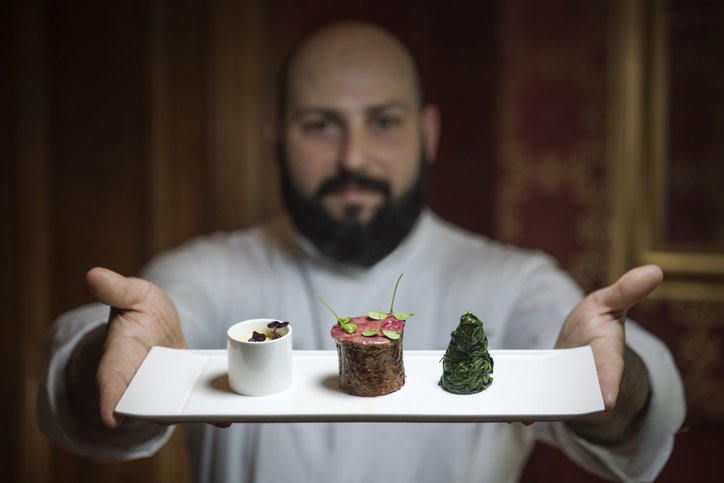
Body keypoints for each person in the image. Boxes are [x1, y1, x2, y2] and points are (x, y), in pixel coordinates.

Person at [38, 21, 685, 483]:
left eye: (383, 121)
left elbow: (627, 405)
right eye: (321, 124)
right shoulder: (208, 270)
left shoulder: (512, 282)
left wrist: (607, 375)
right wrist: (110, 355)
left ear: (427, 133)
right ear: (275, 136)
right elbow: (90, 387)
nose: (353, 157)